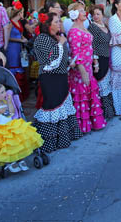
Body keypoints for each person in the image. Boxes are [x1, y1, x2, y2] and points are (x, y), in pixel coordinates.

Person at [32, 12, 82, 152]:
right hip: (50, 78)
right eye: (56, 22)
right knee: (52, 106)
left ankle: (63, 139)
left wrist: (68, 62)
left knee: (62, 105)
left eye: (59, 21)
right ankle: (49, 142)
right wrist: (60, 44)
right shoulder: (41, 39)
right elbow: (50, 60)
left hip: (61, 75)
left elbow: (61, 57)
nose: (59, 23)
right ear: (47, 25)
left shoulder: (57, 37)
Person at [0, 77, 43, 172]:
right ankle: (10, 162)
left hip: (11, 125)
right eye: (2, 92)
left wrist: (9, 102)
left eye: (4, 91)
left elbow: (12, 113)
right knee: (7, 147)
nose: (5, 93)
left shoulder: (4, 101)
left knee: (18, 143)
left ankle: (20, 159)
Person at [67, 2, 106, 133]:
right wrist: (83, 71)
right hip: (80, 70)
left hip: (88, 67)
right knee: (81, 95)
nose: (85, 13)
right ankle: (82, 127)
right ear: (75, 14)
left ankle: (91, 123)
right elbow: (75, 54)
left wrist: (95, 62)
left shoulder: (84, 27)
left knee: (89, 93)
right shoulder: (74, 31)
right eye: (82, 11)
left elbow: (90, 46)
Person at [88, 4, 115, 120]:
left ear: (102, 15)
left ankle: (110, 111)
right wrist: (96, 63)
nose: (96, 16)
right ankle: (104, 113)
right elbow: (92, 46)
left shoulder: (104, 25)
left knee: (107, 84)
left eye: (98, 14)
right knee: (102, 85)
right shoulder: (92, 27)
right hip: (99, 59)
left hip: (106, 57)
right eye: (94, 14)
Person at [5, 1, 29, 102]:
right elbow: (7, 37)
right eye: (22, 12)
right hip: (12, 48)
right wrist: (20, 40)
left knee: (20, 64)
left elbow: (20, 33)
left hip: (19, 47)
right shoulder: (10, 23)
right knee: (14, 66)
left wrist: (23, 38)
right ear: (19, 13)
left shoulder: (18, 22)